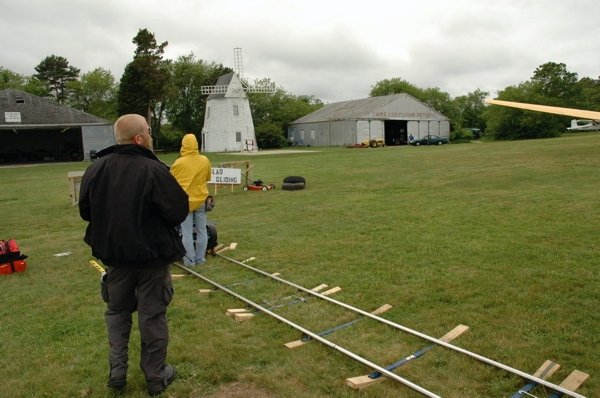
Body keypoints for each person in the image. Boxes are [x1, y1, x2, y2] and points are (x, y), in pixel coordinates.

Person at [79, 114, 189, 396]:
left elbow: (86, 212)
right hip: (151, 259)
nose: (151, 136)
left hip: (115, 257)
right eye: (149, 131)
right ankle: (154, 376)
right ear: (139, 138)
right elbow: (177, 211)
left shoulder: (96, 169)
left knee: (117, 312)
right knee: (151, 316)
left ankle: (119, 372)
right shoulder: (154, 170)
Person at [170, 133, 212, 267]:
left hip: (184, 202)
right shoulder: (204, 160)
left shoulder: (178, 163)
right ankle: (200, 259)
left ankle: (189, 261)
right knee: (202, 231)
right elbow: (207, 178)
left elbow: (171, 182)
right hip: (201, 199)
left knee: (186, 233)